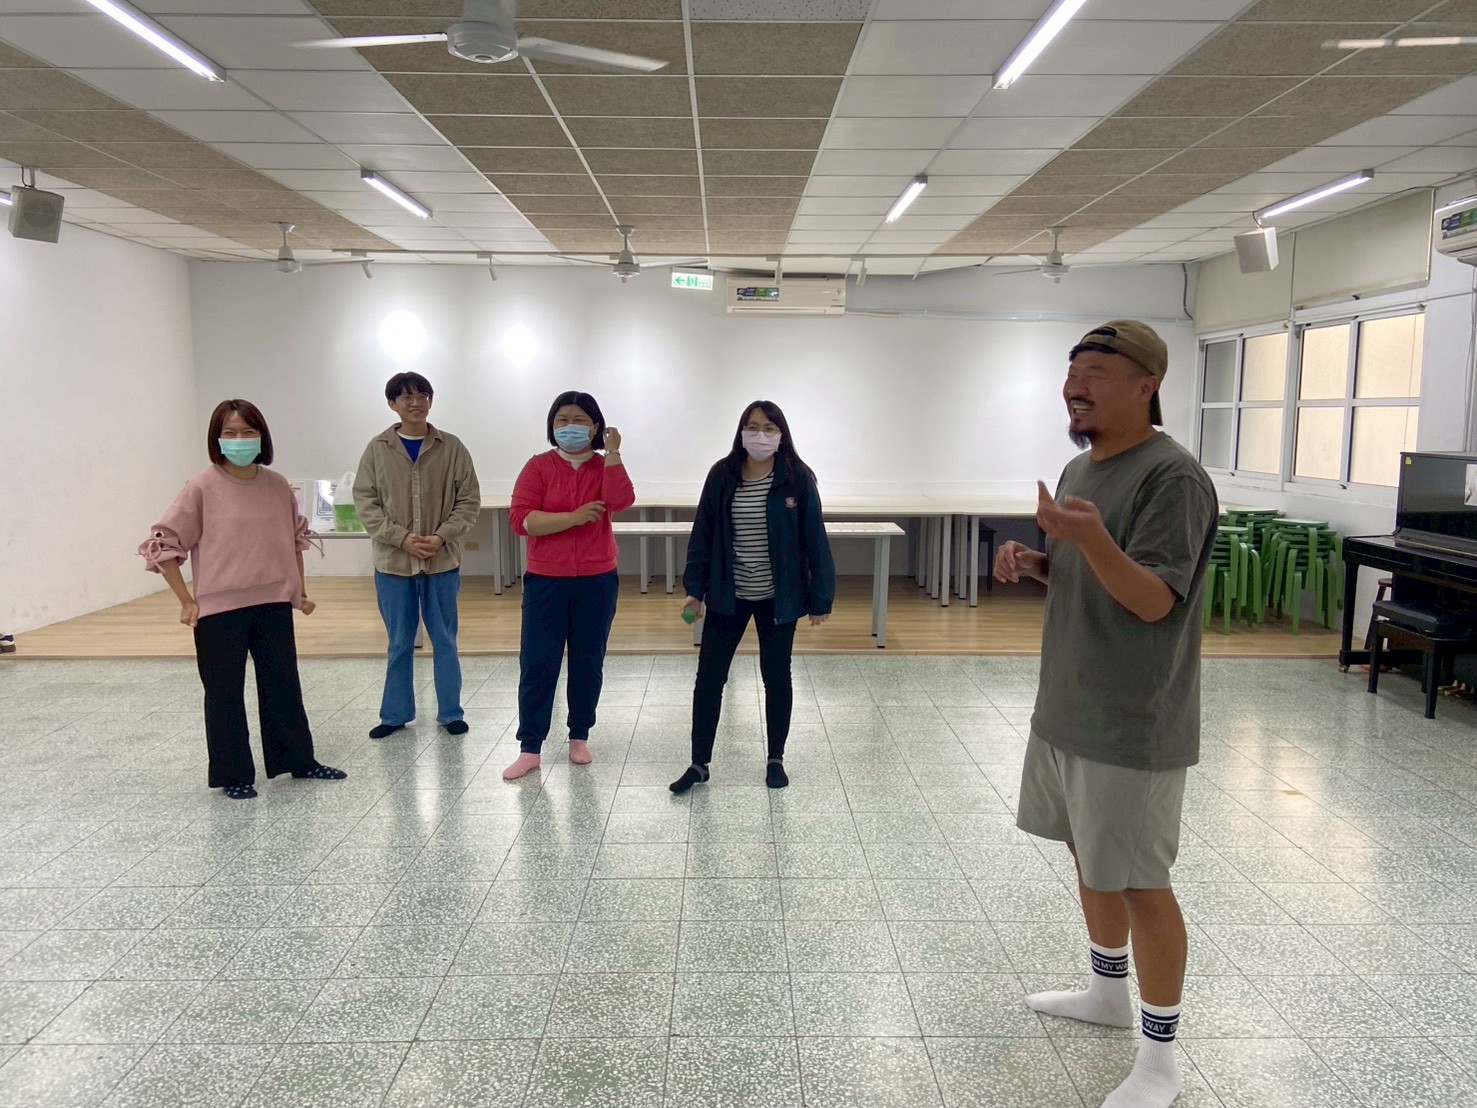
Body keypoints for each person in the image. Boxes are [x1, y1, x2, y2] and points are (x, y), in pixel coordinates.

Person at [995, 321, 1217, 1108]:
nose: (1074, 386)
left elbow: (1154, 600)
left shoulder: (1173, 477)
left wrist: (1088, 543)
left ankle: (1158, 1062)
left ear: (1146, 385)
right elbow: (1094, 579)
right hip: (1066, 707)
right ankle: (1105, 993)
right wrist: (1038, 564)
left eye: (1094, 371)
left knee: (1139, 883)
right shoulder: (1080, 466)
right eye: (1071, 373)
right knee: (1090, 860)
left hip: (1131, 721)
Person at [139, 400, 346, 800]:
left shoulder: (278, 486)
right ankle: (234, 773)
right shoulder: (200, 487)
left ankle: (298, 760)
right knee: (224, 694)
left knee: (283, 686)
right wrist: (186, 600)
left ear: (262, 437)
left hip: (272, 605)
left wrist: (299, 591)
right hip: (219, 611)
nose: (239, 440)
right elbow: (163, 544)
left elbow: (293, 541)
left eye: (248, 432)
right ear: (216, 439)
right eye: (230, 433)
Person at [670, 401, 835, 794]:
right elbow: (702, 534)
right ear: (741, 431)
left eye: (769, 428)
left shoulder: (796, 478)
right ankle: (698, 764)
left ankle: (775, 759)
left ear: (781, 434)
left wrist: (821, 598)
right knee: (709, 679)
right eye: (753, 426)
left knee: (776, 677)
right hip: (729, 594)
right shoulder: (722, 475)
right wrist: (694, 590)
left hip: (779, 598)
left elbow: (815, 539)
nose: (760, 435)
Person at [504, 391, 635, 781]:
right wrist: (573, 518)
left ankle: (580, 735)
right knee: (538, 662)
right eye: (561, 420)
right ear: (551, 426)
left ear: (595, 427)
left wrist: (613, 453)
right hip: (547, 579)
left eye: (579, 420)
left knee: (587, 661)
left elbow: (621, 500)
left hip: (597, 579)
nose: (569, 427)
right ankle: (530, 747)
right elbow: (522, 520)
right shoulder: (538, 467)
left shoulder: (603, 466)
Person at [353, 372, 481, 741]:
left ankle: (451, 712)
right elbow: (366, 504)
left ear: (431, 400)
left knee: (445, 639)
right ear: (392, 403)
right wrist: (402, 539)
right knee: (399, 642)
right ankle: (395, 715)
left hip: (442, 562)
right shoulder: (377, 449)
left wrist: (441, 536)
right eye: (406, 396)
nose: (415, 402)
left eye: (422, 395)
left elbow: (468, 500)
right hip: (393, 564)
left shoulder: (452, 447)